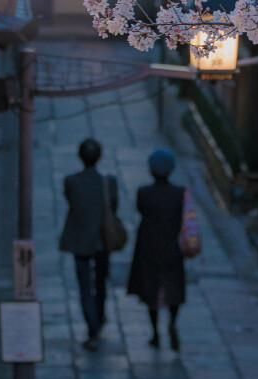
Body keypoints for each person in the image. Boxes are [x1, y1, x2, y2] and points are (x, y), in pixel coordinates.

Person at [59, 137, 118, 351]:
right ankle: (99, 317)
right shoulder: (108, 183)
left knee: (84, 286)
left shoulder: (71, 181)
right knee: (100, 283)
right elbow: (114, 207)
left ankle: (92, 328)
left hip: (80, 240)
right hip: (102, 239)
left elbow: (71, 201)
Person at [127, 147, 185, 351]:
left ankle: (155, 333)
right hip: (172, 246)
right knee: (173, 287)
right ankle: (172, 322)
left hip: (149, 246)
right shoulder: (179, 194)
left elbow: (141, 210)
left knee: (151, 290)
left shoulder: (144, 193)